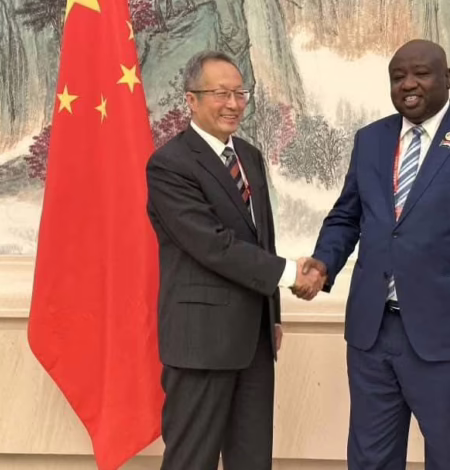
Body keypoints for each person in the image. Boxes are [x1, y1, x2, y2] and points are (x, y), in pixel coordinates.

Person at [300, 39, 450, 470]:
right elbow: (347, 216)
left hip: (448, 337)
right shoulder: (370, 140)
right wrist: (324, 262)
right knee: (370, 459)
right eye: (398, 76)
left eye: (421, 73)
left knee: (448, 457)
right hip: (372, 333)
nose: (408, 84)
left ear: (447, 78)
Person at [145, 50, 314, 470]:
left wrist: (273, 316)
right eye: (221, 94)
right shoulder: (169, 165)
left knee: (252, 459)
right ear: (191, 99)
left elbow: (261, 238)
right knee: (192, 460)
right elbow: (213, 246)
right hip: (201, 342)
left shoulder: (249, 156)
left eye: (241, 93)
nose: (234, 104)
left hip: (254, 340)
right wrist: (290, 274)